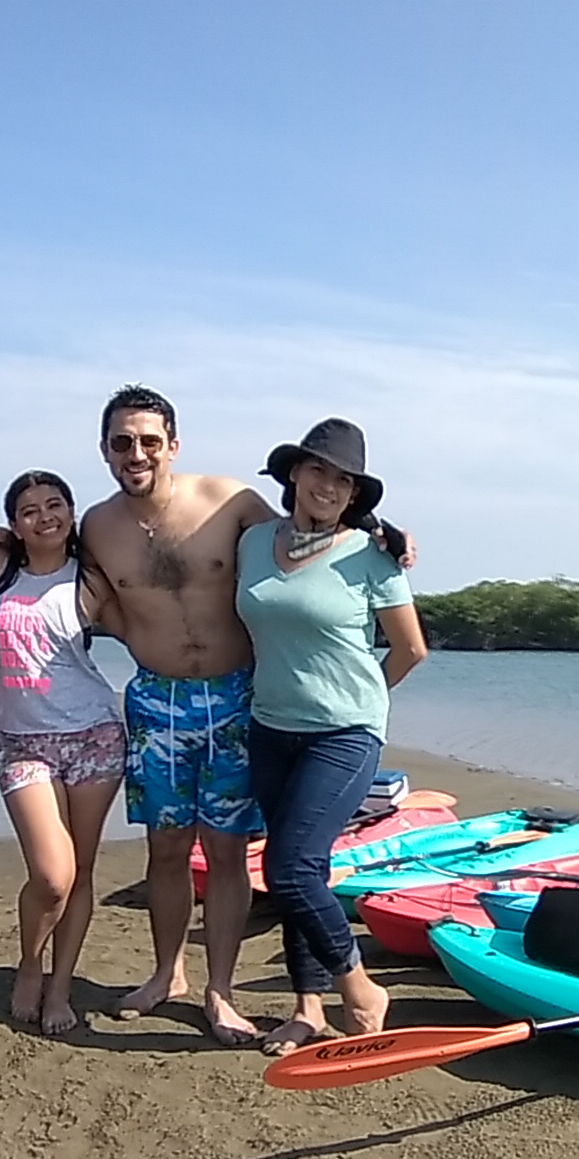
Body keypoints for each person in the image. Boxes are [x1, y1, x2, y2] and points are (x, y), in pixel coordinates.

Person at [77, 386, 285, 1043]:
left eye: (148, 441)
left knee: (226, 851)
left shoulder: (231, 501)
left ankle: (221, 991)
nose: (135, 453)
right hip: (156, 701)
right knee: (165, 848)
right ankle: (167, 973)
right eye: (122, 442)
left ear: (173, 444)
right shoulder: (97, 526)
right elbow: (60, 580)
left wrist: (381, 536)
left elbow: (305, 544)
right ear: (105, 450)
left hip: (236, 698)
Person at [235, 419, 428, 1049]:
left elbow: (410, 649)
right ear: (294, 473)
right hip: (270, 728)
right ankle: (307, 1009)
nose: (328, 485)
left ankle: (361, 988)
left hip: (343, 735)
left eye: (343, 480)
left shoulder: (372, 555)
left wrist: (362, 700)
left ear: (354, 495)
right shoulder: (253, 540)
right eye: (317, 469)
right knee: (306, 869)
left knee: (288, 870)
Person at [0, 470, 126, 1037]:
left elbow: (151, 625)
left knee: (81, 872)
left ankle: (61, 986)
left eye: (55, 505)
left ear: (71, 513)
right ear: (13, 523)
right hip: (21, 741)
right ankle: (30, 963)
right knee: (53, 875)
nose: (44, 516)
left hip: (95, 735)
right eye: (29, 510)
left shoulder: (92, 579)